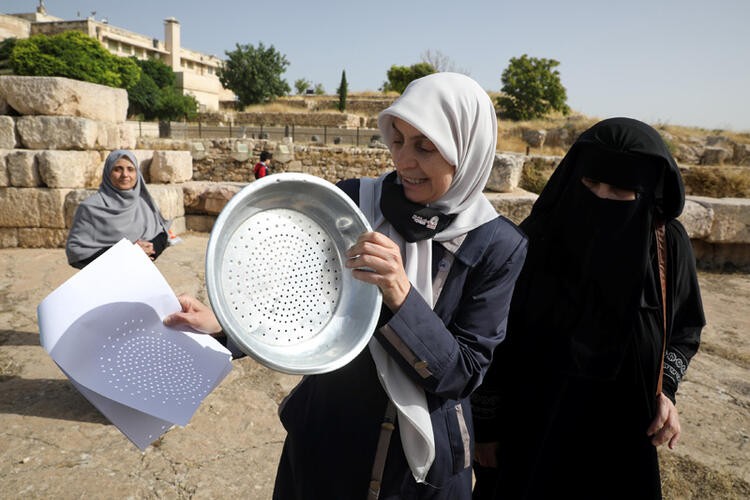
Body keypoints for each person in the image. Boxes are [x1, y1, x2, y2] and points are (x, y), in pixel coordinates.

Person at [164, 73, 528, 499]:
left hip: (417, 478)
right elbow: (294, 294)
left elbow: (463, 373)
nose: (404, 161)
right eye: (398, 139)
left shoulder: (497, 243)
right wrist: (226, 323)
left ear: (466, 151)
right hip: (328, 442)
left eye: (425, 147)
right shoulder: (354, 202)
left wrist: (400, 294)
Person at [471, 117, 705, 499]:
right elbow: (497, 339)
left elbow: (684, 330)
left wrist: (667, 390)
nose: (602, 198)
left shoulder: (666, 244)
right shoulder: (538, 238)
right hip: (533, 434)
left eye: (620, 191)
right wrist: (487, 427)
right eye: (590, 185)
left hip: (623, 437)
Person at [65, 149, 171, 269]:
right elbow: (76, 252)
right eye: (117, 169)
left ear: (137, 173)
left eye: (130, 169)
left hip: (141, 276)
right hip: (107, 279)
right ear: (108, 173)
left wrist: (152, 248)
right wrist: (127, 254)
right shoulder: (90, 208)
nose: (125, 174)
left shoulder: (143, 202)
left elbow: (161, 232)